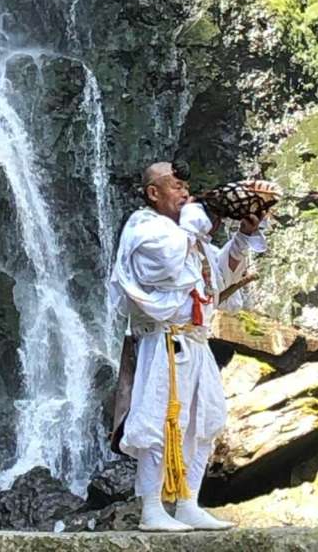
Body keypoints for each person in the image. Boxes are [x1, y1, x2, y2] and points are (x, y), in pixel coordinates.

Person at [109, 161, 268, 532]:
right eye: (177, 186)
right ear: (154, 192)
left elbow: (220, 274)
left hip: (194, 342)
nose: (185, 193)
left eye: (186, 187)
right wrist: (202, 216)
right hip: (163, 342)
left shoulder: (186, 236)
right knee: (159, 422)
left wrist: (243, 234)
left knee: (204, 421)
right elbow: (164, 263)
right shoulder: (145, 228)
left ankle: (187, 503)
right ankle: (151, 510)